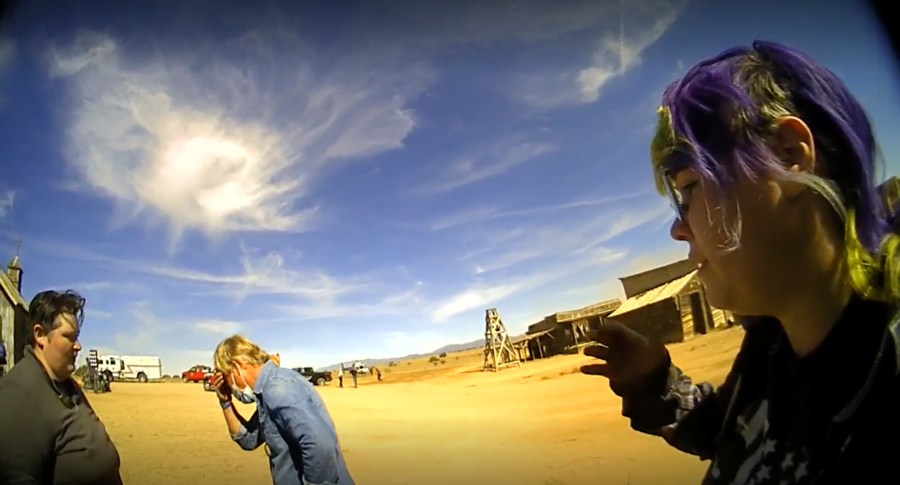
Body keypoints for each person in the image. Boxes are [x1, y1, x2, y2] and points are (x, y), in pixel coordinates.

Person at [581, 40, 900, 483]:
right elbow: (733, 437)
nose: (678, 228)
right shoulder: (773, 347)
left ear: (788, 154)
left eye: (690, 186)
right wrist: (656, 382)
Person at [0, 290, 123, 484]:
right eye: (69, 337)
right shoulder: (18, 394)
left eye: (78, 337)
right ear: (40, 335)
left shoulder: (65, 383)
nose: (78, 346)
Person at [211, 334, 356, 485]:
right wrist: (225, 402)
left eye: (227, 378)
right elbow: (249, 440)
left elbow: (321, 446)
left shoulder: (278, 388)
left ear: (235, 367)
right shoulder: (266, 393)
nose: (231, 387)